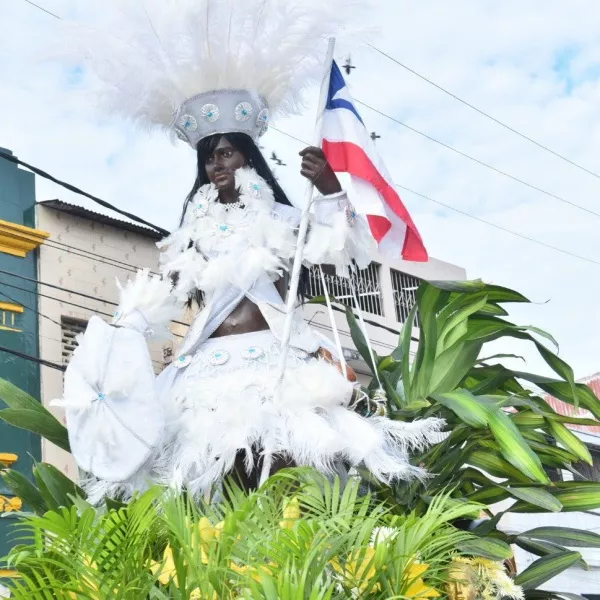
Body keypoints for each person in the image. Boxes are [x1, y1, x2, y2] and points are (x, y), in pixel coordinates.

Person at [54, 0, 445, 503]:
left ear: (247, 156)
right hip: (206, 363)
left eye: (227, 152)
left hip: (276, 355)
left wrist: (328, 187)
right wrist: (131, 324)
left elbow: (342, 248)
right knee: (214, 480)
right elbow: (170, 292)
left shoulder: (284, 216)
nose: (217, 163)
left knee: (285, 468)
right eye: (209, 156)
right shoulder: (190, 232)